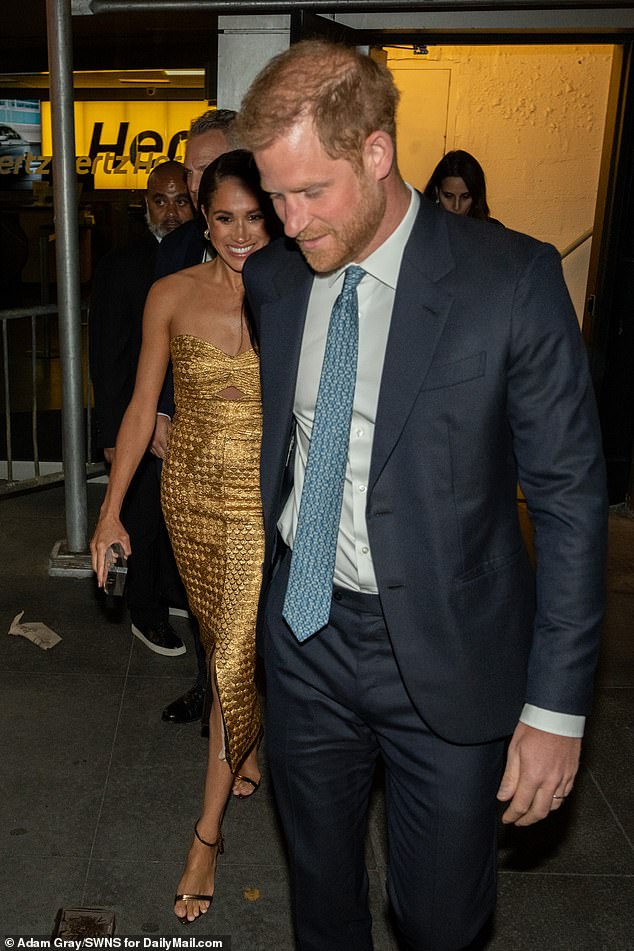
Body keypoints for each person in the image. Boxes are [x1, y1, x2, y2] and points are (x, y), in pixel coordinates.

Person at [237, 40, 608, 951]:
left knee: (439, 918)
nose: (286, 223)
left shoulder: (509, 281)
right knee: (321, 902)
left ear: (375, 151)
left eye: (309, 192)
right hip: (305, 634)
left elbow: (568, 501)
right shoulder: (275, 282)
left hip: (449, 648)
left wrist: (555, 709)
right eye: (273, 196)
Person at [91, 149, 277, 924]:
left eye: (254, 218)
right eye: (224, 217)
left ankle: (205, 837)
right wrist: (110, 512)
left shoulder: (299, 294)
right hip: (191, 498)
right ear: (203, 216)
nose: (239, 234)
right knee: (219, 636)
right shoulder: (171, 293)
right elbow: (141, 407)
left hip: (263, 506)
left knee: (235, 647)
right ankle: (247, 733)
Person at [154, 109, 239, 726]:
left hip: (260, 461)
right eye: (190, 170)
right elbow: (156, 348)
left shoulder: (281, 247)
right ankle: (215, 694)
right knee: (204, 594)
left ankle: (247, 707)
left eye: (207, 167)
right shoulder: (178, 250)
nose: (193, 182)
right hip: (190, 458)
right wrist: (159, 410)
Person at [90, 160, 193, 657]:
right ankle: (144, 613)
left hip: (188, 416)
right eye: (160, 200)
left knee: (176, 519)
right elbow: (106, 356)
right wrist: (112, 435)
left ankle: (168, 593)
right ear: (145, 204)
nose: (170, 211)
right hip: (137, 419)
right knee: (144, 520)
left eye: (180, 200)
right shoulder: (120, 264)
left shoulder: (205, 258)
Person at [423, 148, 498, 221]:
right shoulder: (420, 228)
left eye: (465, 197)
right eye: (448, 196)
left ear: (476, 196)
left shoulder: (494, 231)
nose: (456, 207)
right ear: (437, 192)